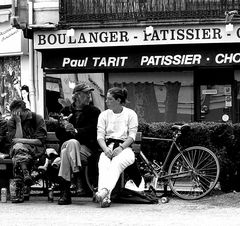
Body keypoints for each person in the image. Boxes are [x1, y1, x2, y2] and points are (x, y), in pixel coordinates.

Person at [55, 83, 101, 205]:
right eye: (86, 94)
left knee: (66, 152)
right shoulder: (65, 111)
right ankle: (76, 172)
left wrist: (74, 130)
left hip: (86, 149)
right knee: (71, 144)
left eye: (89, 94)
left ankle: (65, 193)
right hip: (70, 146)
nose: (89, 97)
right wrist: (62, 127)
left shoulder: (94, 112)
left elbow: (93, 131)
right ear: (77, 96)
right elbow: (59, 135)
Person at [96, 87, 141, 208]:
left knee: (116, 162)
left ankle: (104, 192)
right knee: (103, 163)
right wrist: (105, 149)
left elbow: (131, 136)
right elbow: (100, 136)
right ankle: (105, 198)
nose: (106, 101)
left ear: (118, 100)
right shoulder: (103, 115)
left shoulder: (130, 114)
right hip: (108, 147)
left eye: (110, 99)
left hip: (125, 149)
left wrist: (120, 148)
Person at [7, 99, 47, 203]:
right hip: (20, 152)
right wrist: (18, 123)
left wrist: (21, 140)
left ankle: (19, 190)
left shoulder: (36, 118)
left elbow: (39, 141)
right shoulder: (12, 121)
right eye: (14, 114)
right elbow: (14, 142)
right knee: (18, 149)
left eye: (19, 114)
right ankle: (25, 174)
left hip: (35, 150)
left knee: (18, 150)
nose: (17, 116)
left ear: (25, 111)